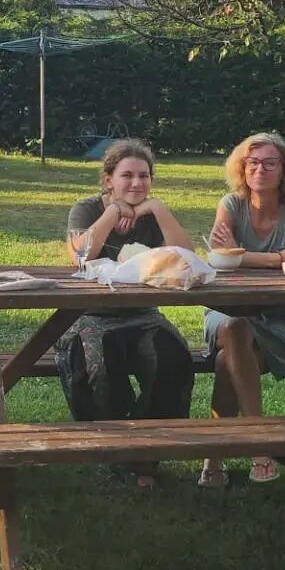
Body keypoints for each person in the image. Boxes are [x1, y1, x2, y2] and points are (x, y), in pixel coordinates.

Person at [61, 141, 198, 488]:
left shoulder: (152, 214)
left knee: (174, 360)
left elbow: (187, 258)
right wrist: (112, 212)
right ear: (108, 180)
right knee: (100, 368)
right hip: (92, 315)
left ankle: (146, 451)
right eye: (126, 176)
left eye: (144, 176)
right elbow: (80, 256)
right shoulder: (87, 208)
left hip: (143, 314)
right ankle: (112, 448)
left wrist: (160, 211)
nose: (137, 183)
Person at [200, 131, 285, 488]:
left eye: (270, 163)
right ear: (242, 168)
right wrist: (278, 258)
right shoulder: (231, 204)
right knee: (235, 327)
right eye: (253, 163)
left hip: (283, 319)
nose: (260, 169)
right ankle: (259, 447)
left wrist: (245, 255)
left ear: (284, 170)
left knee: (225, 361)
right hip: (227, 312)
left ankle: (214, 458)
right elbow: (219, 259)